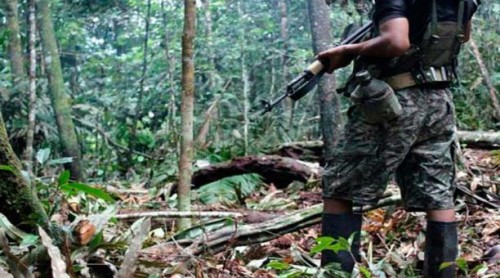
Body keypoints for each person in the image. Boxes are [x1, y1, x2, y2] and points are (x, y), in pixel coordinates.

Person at [316, 0, 480, 277]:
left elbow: (396, 41)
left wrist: (348, 50)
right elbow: (463, 35)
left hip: (393, 102)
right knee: (438, 192)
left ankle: (335, 273)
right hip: (438, 102)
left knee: (339, 185)